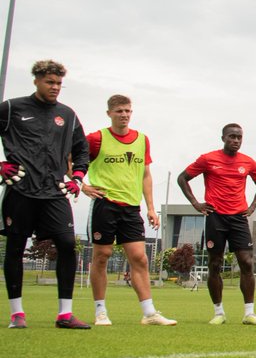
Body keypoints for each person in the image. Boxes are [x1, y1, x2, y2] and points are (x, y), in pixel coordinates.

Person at [1, 60, 91, 329]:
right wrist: (1, 166)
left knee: (66, 244)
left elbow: (82, 150)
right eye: (49, 82)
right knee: (16, 248)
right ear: (36, 81)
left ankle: (65, 314)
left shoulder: (68, 114)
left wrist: (77, 177)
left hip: (54, 192)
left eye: (59, 83)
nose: (55, 88)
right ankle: (17, 314)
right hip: (21, 190)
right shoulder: (10, 108)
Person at [84, 95, 174, 326]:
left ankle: (149, 313)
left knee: (140, 258)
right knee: (102, 256)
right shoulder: (96, 138)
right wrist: (81, 185)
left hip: (131, 208)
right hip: (104, 204)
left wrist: (151, 208)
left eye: (127, 111)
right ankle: (100, 311)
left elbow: (145, 175)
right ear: (109, 114)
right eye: (119, 111)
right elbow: (69, 159)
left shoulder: (142, 140)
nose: (124, 115)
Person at [177, 123, 256, 325]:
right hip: (215, 217)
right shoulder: (208, 159)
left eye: (239, 137)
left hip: (238, 218)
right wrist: (195, 203)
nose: (236, 140)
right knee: (215, 264)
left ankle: (249, 313)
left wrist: (252, 207)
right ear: (223, 138)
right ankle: (219, 313)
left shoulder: (248, 162)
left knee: (246, 261)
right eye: (232, 137)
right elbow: (182, 178)